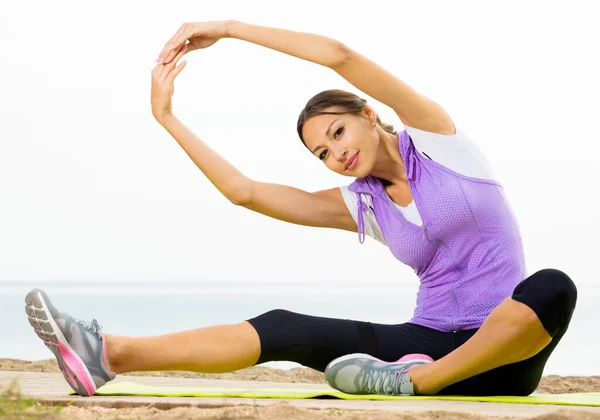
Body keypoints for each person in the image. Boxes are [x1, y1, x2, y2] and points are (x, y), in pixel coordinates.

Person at [25, 20, 577, 397]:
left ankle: (414, 384)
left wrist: (229, 29)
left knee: (553, 285)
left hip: (505, 355)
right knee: (284, 325)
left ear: (367, 112)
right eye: (323, 153)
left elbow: (340, 56)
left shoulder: (439, 142)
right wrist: (166, 118)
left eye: (338, 132)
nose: (338, 153)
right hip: (423, 345)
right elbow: (245, 191)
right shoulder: (362, 206)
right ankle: (107, 354)